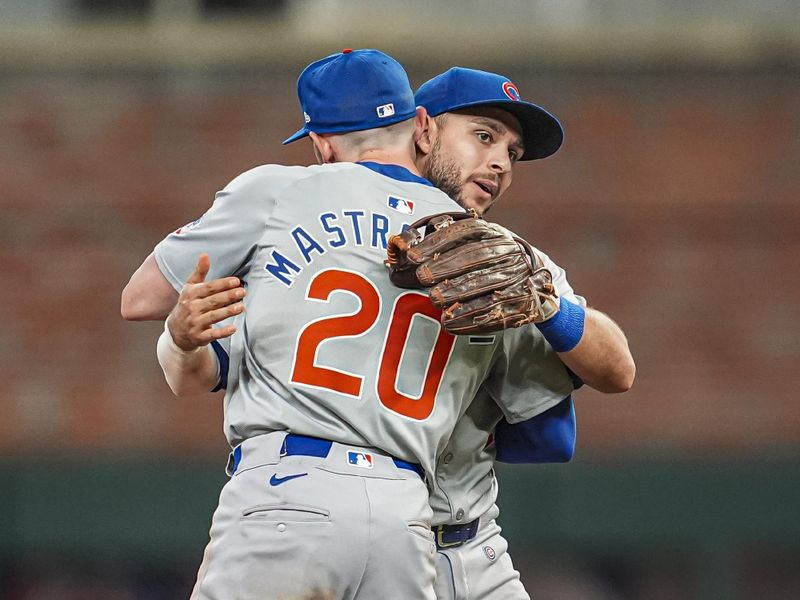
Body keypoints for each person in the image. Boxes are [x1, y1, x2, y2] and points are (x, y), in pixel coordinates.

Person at [151, 65, 636, 600]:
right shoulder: (320, 223)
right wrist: (182, 337)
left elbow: (610, 376)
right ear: (421, 130)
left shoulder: (506, 262)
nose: (499, 161)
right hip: (404, 535)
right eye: (483, 135)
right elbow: (548, 436)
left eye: (513, 153)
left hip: (461, 546)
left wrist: (546, 303)